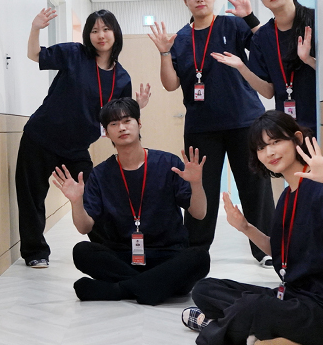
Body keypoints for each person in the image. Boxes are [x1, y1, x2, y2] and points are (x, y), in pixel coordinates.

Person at [182, 111, 323, 345]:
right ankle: (254, 329)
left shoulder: (322, 190)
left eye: (276, 142)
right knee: (205, 288)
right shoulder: (287, 196)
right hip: (292, 298)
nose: (270, 152)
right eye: (261, 148)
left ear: (297, 140)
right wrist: (245, 227)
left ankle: (215, 326)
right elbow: (280, 252)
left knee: (253, 307)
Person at [148, 0, 274, 266]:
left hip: (245, 121)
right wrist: (164, 52)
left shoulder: (232, 25)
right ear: (185, 0)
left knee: (256, 187)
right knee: (200, 188)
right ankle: (195, 251)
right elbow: (170, 84)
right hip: (201, 127)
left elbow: (265, 46)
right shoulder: (180, 38)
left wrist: (250, 16)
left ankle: (266, 248)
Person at [17, 9, 150, 268]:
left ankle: (108, 249)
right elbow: (34, 55)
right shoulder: (74, 54)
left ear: (115, 33)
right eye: (94, 30)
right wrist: (35, 28)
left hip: (77, 147)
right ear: (88, 35)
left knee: (92, 195)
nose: (101, 35)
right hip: (40, 136)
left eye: (106, 29)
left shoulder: (122, 77)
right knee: (32, 197)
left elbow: (119, 118)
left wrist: (137, 107)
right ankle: (35, 252)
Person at [51, 98, 210, 305]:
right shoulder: (100, 174)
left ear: (139, 123)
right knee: (82, 251)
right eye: (114, 124)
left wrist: (196, 184)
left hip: (167, 254)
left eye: (127, 121)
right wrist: (76, 202)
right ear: (106, 132)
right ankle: (153, 286)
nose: (122, 128)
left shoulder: (168, 163)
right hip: (122, 256)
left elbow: (199, 213)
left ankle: (119, 289)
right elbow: (84, 228)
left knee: (199, 257)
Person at [213, 0, 317, 135]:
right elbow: (268, 92)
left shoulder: (316, 20)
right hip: (287, 127)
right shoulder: (262, 37)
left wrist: (309, 60)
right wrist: (242, 67)